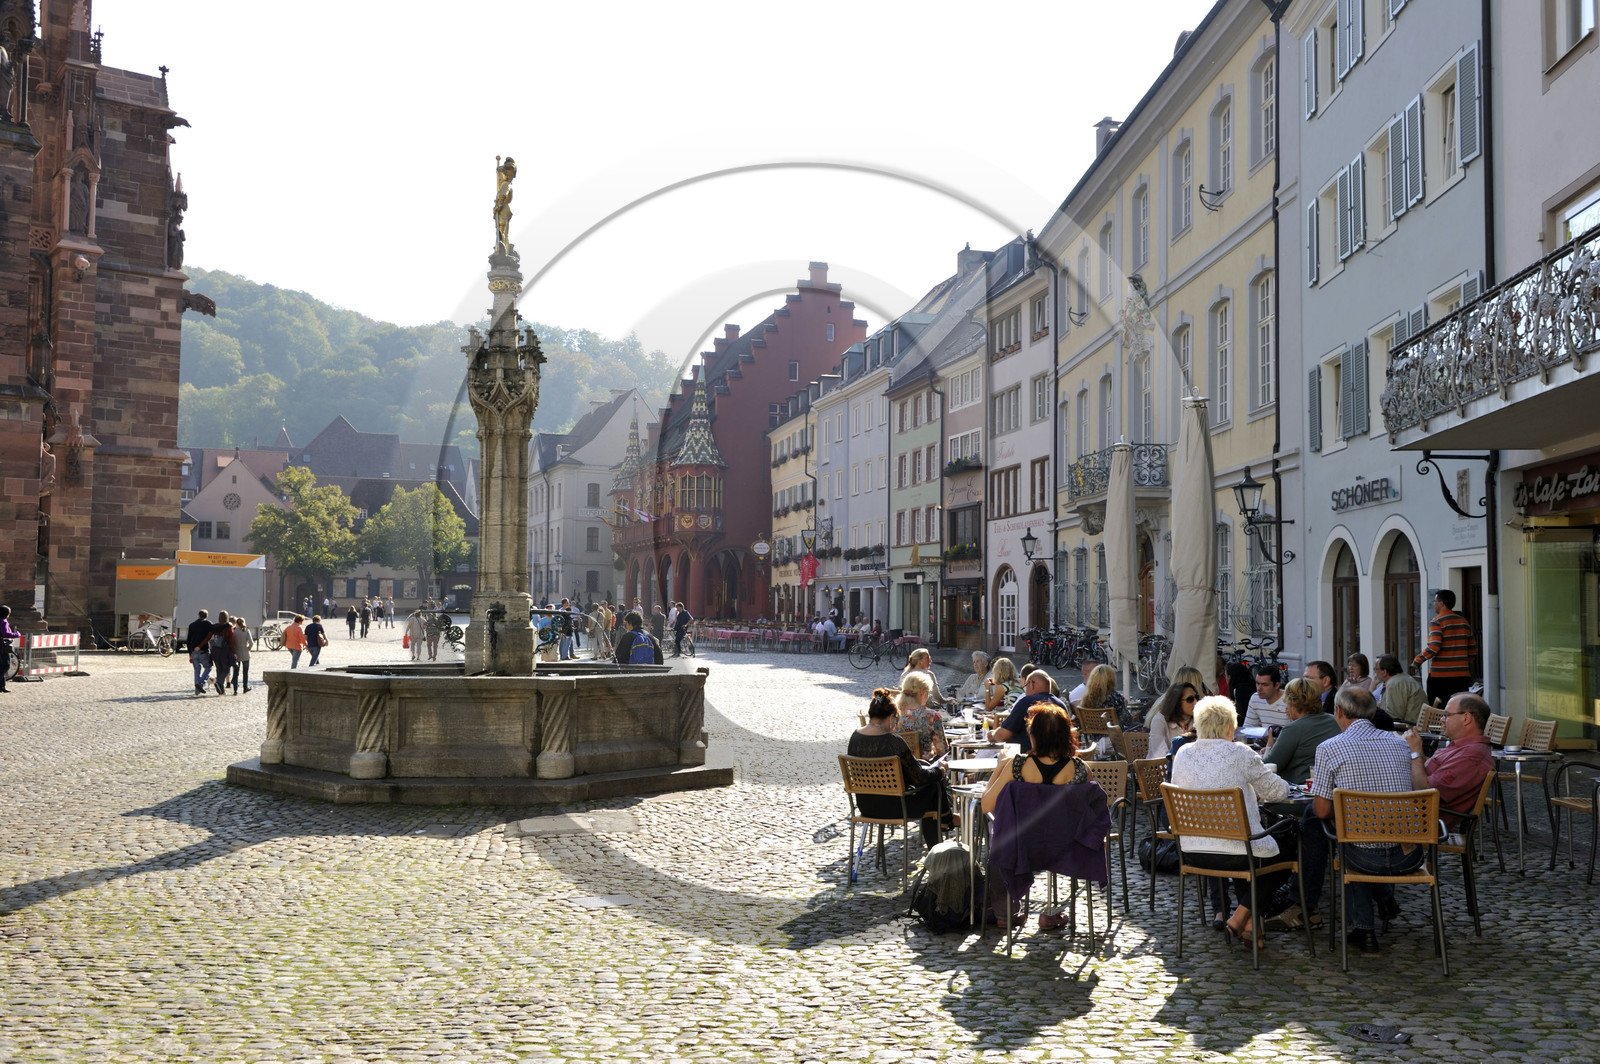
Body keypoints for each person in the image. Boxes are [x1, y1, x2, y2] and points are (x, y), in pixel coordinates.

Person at [1290, 686, 1417, 954]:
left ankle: (1362, 927)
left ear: (1338, 711)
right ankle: (1384, 897)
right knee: (1361, 830)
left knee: (1339, 829)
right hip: (1409, 853)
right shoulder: (1399, 743)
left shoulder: (1330, 747)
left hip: (1363, 856)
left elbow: (1322, 810)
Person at [1170, 695, 1295, 947]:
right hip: (1237, 851)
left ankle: (1251, 925)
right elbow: (1279, 792)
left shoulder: (1182, 753)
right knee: (1290, 851)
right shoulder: (1240, 753)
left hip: (1193, 850)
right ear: (1229, 727)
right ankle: (1240, 917)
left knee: (1244, 844)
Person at [848, 688, 953, 846]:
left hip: (866, 805)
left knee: (932, 785)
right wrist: (941, 770)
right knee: (934, 787)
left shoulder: (854, 738)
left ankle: (946, 821)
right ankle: (943, 830)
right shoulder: (893, 741)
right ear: (891, 717)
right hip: (895, 807)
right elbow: (919, 778)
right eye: (896, 719)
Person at [981, 700, 1091, 815]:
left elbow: (986, 806)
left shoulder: (1018, 766)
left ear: (1033, 736)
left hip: (1023, 827)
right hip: (1069, 827)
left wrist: (1001, 765)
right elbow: (1094, 810)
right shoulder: (1080, 768)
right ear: (1068, 736)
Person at [1404, 692, 1495, 828]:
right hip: (1410, 811)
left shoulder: (1470, 756)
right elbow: (1425, 772)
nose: (1442, 719)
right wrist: (1417, 749)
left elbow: (1424, 792)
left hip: (1420, 822)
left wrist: (1415, 752)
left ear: (1466, 718)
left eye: (1447, 715)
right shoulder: (1462, 747)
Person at [1262, 677, 1341, 785]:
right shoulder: (1335, 721)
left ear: (1293, 703)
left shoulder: (1293, 728)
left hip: (1301, 788)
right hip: (1333, 785)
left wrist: (1269, 747)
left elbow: (1267, 767)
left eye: (1287, 704)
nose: (1286, 709)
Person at [1413, 589, 1478, 707]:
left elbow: (1434, 647)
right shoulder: (1464, 622)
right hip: (1462, 677)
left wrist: (1417, 661)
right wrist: (1460, 663)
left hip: (1440, 677)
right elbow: (1472, 650)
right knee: (1460, 708)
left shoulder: (1437, 621)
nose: (1433, 604)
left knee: (1438, 710)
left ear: (1441, 603)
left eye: (1435, 601)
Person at [993, 668, 1068, 755]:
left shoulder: (1027, 702)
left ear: (1032, 684)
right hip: (1058, 756)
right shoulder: (1061, 705)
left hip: (1026, 755)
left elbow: (1002, 735)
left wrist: (992, 734)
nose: (1025, 691)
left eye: (1026, 686)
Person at [896, 671, 948, 759]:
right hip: (923, 765)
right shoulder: (932, 716)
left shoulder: (893, 714)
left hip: (896, 765)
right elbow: (942, 750)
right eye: (928, 692)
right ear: (922, 692)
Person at [1145, 682, 1198, 760]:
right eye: (1190, 699)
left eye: (1197, 697)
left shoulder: (1198, 720)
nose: (1196, 702)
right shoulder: (1160, 720)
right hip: (1162, 766)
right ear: (1177, 702)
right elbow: (1160, 756)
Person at [1078, 662, 1133, 730]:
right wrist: (1124, 705)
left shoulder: (1087, 698)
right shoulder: (1115, 698)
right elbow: (1127, 721)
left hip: (1093, 734)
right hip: (1114, 734)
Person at [1373, 655, 1425, 726]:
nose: (1375, 673)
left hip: (1408, 728)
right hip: (1412, 725)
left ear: (1384, 672)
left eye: (1376, 669)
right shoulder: (1401, 678)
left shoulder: (1394, 684)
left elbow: (1394, 716)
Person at [1244, 665, 1292, 730]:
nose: (1259, 688)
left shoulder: (1290, 700)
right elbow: (1248, 727)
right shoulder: (1255, 698)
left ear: (1277, 685)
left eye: (1265, 685)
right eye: (1257, 683)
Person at [207, 611, 236, 695]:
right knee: (226, 669)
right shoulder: (228, 627)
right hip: (225, 651)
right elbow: (231, 641)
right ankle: (218, 682)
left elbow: (209, 637)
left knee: (219, 670)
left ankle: (221, 690)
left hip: (215, 651)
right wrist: (234, 652)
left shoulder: (215, 626)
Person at [187, 608, 215, 694]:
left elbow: (188, 640)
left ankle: (197, 689)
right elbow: (213, 632)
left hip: (193, 651)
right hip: (203, 650)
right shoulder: (208, 624)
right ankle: (200, 683)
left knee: (197, 669)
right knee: (208, 667)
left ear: (198, 615)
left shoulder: (191, 625)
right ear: (206, 616)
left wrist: (190, 652)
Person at [230, 617, 252, 694]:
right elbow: (251, 642)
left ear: (236, 623)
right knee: (245, 672)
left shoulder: (234, 631)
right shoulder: (247, 631)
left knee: (236, 672)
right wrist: (248, 648)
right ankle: (245, 687)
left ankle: (235, 690)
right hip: (245, 652)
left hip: (236, 653)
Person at [0, 604, 18, 693]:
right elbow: (5, 633)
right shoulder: (3, 621)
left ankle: (2, 686)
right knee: (6, 666)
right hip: (2, 646)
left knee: (1, 666)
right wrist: (16, 634)